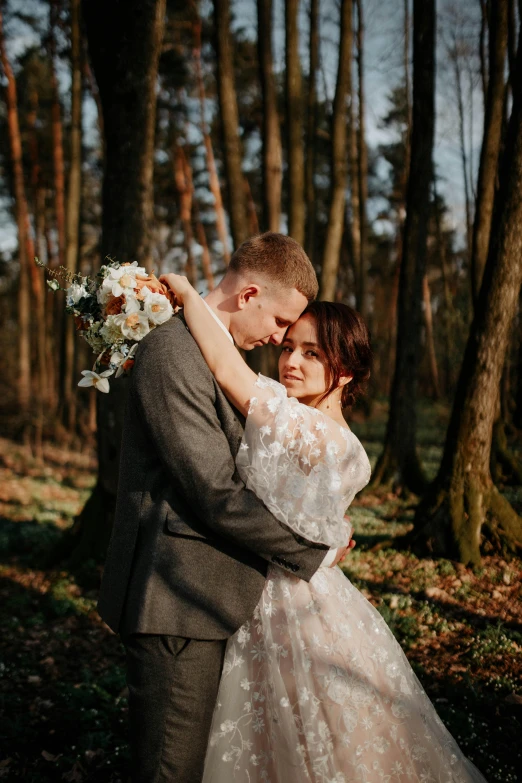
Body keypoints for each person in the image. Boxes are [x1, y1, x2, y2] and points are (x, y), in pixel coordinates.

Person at [160, 271, 488, 783]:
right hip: (294, 587)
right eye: (288, 346)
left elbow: (225, 365)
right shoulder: (324, 430)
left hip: (285, 603)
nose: (291, 361)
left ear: (346, 372)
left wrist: (183, 292)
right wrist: (335, 538)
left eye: (312, 354)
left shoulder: (308, 430)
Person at [96, 233, 351, 783]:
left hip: (214, 601)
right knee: (171, 769)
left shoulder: (210, 350)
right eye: (281, 324)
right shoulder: (171, 350)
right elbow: (213, 490)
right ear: (250, 293)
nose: (280, 340)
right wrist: (312, 551)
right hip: (174, 600)